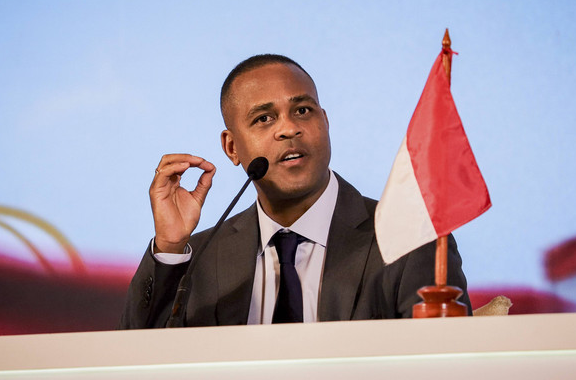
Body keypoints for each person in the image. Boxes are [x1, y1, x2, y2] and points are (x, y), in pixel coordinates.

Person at [119, 54, 470, 329]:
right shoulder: (200, 257)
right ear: (232, 148)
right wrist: (169, 247)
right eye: (264, 119)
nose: (289, 128)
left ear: (325, 121)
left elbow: (441, 364)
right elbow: (136, 361)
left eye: (302, 111)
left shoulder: (411, 241)